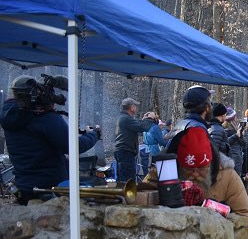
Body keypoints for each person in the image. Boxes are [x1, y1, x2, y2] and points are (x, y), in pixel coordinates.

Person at [0, 75, 100, 204]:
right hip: (51, 190)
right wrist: (94, 134)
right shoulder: (44, 118)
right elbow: (75, 146)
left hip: (25, 187)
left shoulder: (11, 116)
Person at [144, 126, 248, 217]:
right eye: (188, 169)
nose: (195, 174)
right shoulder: (164, 172)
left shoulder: (227, 175)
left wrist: (219, 216)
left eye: (201, 169)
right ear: (179, 165)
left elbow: (243, 214)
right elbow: (138, 201)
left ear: (210, 164)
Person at [114, 97, 157, 182]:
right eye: (135, 106)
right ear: (131, 107)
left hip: (122, 151)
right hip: (125, 152)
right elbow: (142, 127)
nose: (136, 108)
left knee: (123, 177)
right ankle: (125, 194)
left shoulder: (123, 118)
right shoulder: (126, 119)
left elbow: (138, 126)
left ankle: (121, 193)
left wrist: (144, 120)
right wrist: (150, 118)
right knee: (128, 179)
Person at [223, 107, 246, 177]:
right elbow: (225, 142)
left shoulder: (236, 128)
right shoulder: (224, 129)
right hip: (232, 158)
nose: (236, 118)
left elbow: (243, 144)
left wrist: (242, 133)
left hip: (238, 156)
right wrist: (236, 136)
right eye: (234, 117)